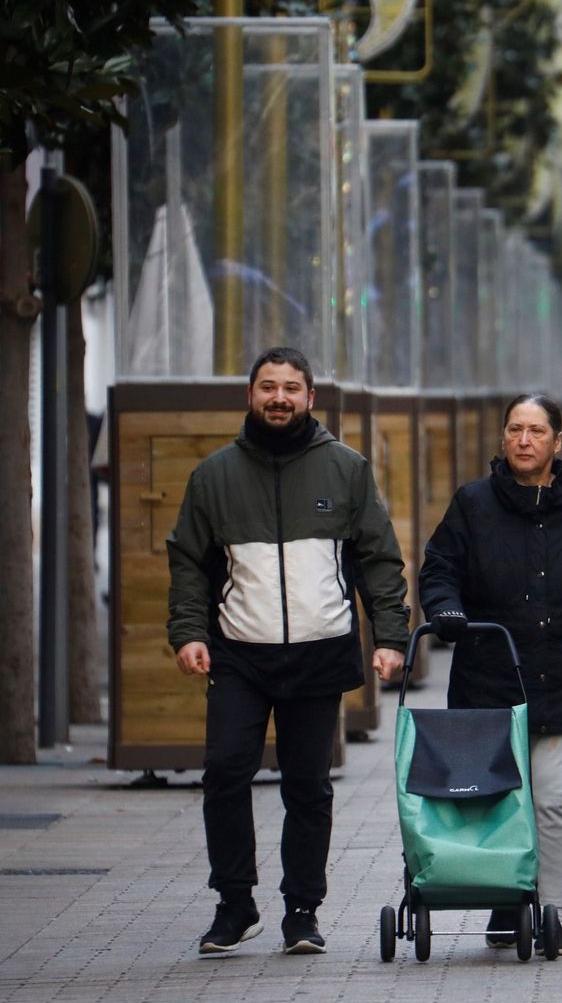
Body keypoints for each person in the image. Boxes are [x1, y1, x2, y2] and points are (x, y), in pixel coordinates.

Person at [167, 346, 410, 958]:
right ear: (250, 395)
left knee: (308, 787)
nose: (280, 398)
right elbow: (189, 563)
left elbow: (379, 559)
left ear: (310, 398)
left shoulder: (346, 469)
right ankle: (235, 905)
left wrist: (390, 637)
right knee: (225, 773)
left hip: (318, 652)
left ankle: (302, 911)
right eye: (268, 387)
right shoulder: (213, 476)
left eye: (291, 388)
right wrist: (189, 633)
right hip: (238, 654)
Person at [418, 393, 562, 957]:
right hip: (490, 682)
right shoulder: (473, 503)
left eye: (536, 431)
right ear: (503, 438)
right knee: (497, 801)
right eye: (515, 429)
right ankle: (508, 896)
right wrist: (446, 610)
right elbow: (439, 568)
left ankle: (552, 910)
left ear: (557, 442)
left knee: (559, 803)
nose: (524, 440)